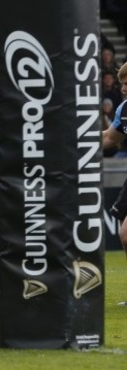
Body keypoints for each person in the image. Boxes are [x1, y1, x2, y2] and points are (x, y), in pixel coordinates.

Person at [101, 61, 127, 305]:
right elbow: (109, 138)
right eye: (122, 83)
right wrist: (76, 137)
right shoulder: (124, 109)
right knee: (125, 235)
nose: (124, 87)